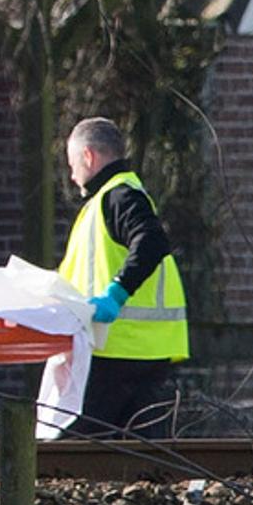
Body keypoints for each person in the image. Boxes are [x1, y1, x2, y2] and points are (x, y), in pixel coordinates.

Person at [57, 116, 189, 435]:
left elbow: (152, 241)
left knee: (78, 444)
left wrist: (115, 294)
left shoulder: (117, 197)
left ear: (88, 156)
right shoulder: (113, 199)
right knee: (137, 449)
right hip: (139, 349)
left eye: (72, 165)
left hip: (117, 349)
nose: (72, 176)